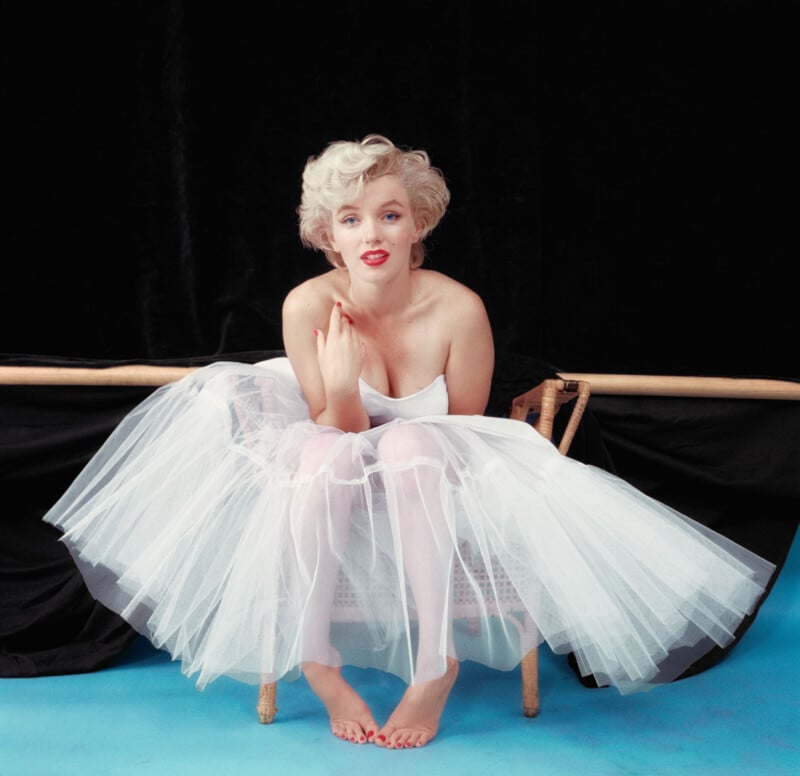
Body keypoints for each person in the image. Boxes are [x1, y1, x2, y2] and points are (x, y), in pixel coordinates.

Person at [43, 134, 775, 750]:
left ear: (416, 225)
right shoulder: (308, 305)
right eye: (352, 220)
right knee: (330, 450)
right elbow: (334, 433)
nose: (372, 235)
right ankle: (318, 660)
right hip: (331, 462)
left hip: (437, 471)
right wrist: (337, 387)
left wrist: (374, 424)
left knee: (410, 447)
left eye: (389, 215)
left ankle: (435, 665)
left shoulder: (459, 311)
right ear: (327, 235)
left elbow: (462, 434)